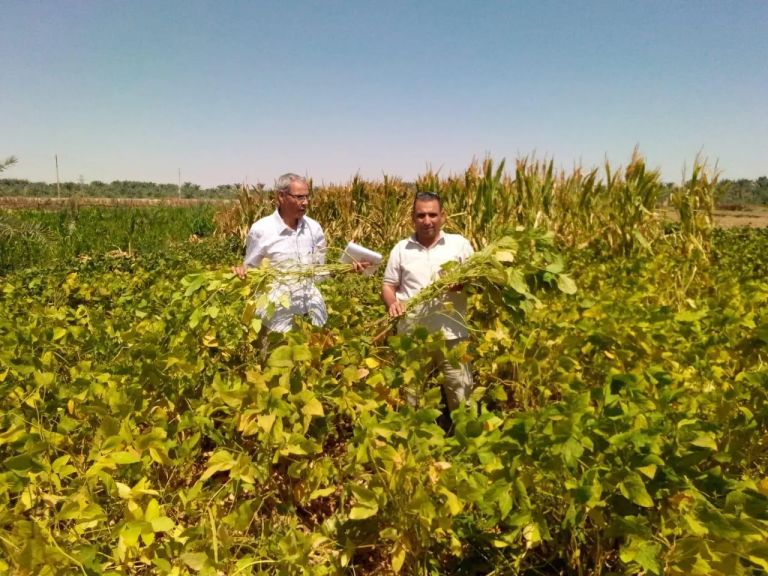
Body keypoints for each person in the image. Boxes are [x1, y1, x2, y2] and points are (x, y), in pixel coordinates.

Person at [234, 173, 365, 333]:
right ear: (281, 196)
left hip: (312, 315)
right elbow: (251, 271)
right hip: (277, 320)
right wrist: (242, 272)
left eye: (307, 196)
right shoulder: (261, 230)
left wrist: (346, 268)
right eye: (299, 197)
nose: (305, 202)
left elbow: (319, 273)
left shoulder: (314, 228)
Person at [381, 191, 475, 410]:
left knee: (462, 398)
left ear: (443, 216)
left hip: (453, 336)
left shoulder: (459, 245)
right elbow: (388, 286)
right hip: (413, 336)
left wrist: (464, 284)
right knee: (411, 399)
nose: (427, 221)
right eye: (421, 215)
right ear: (412, 218)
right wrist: (392, 303)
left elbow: (477, 281)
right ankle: (415, 432)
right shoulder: (401, 249)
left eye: (432, 215)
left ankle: (460, 432)